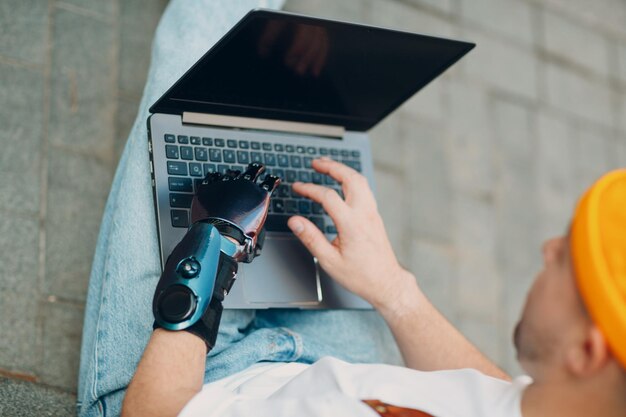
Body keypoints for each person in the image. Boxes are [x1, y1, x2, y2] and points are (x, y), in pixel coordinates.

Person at [78, 1, 626, 417]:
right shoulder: (572, 399)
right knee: (292, 110)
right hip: (340, 370)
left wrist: (213, 244)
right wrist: (393, 289)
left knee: (190, 69)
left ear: (586, 351)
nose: (549, 248)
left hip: (183, 378)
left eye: (568, 258)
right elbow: (501, 399)